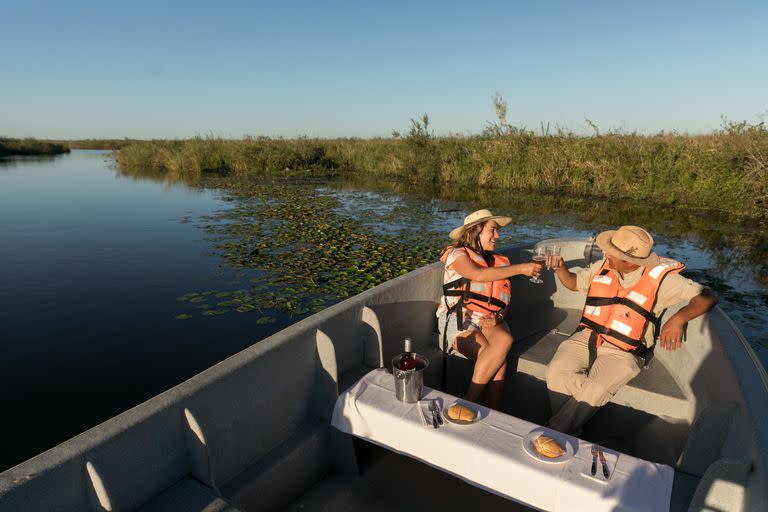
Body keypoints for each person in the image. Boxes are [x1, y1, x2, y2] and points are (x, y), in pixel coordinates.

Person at [545, 225, 717, 435]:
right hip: (587, 335)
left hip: (626, 351)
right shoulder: (604, 265)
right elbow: (574, 283)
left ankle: (555, 432)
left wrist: (678, 319)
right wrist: (560, 268)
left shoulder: (664, 280)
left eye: (612, 252)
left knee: (595, 388)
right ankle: (571, 429)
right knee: (556, 370)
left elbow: (706, 296)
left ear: (630, 261)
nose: (606, 254)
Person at [437, 209, 542, 410]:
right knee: (498, 362)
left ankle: (478, 407)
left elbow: (502, 302)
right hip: (459, 318)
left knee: (505, 340)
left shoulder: (497, 262)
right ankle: (473, 403)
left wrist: (499, 316)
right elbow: (477, 275)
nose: (497, 236)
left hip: (487, 319)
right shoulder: (458, 255)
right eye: (492, 230)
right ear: (476, 231)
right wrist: (521, 268)